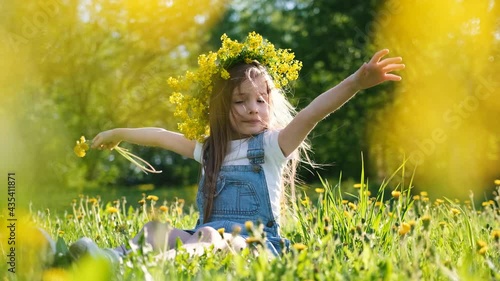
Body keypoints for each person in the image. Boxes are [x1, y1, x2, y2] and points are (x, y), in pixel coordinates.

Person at [76, 32, 404, 259]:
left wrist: (357, 82)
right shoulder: (210, 151)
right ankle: (109, 259)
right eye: (240, 100)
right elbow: (160, 135)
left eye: (261, 99)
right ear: (222, 108)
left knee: (205, 238)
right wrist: (118, 132)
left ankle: (161, 265)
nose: (253, 108)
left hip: (255, 244)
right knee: (157, 231)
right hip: (206, 234)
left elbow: (314, 112)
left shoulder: (274, 146)